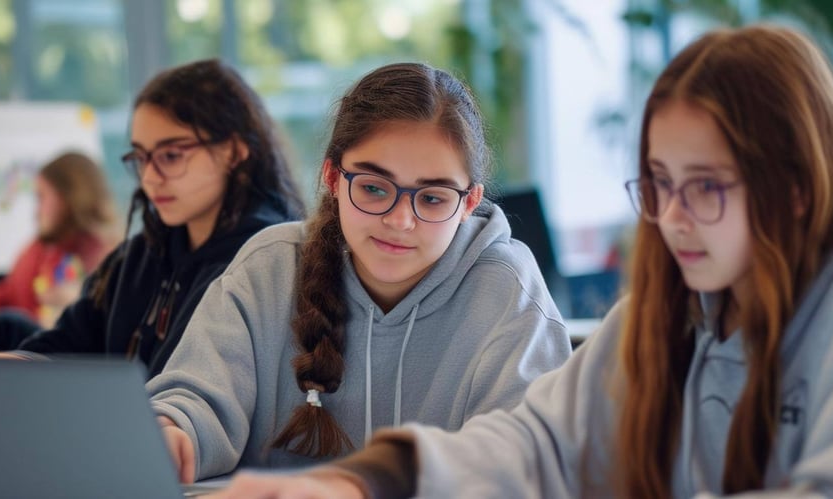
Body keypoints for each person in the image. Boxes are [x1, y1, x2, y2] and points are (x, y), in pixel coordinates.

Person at [207, 24, 833, 499]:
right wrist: (363, 480)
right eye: (659, 182)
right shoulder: (660, 317)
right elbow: (539, 442)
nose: (672, 217)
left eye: (707, 186)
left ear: (793, 187)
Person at [146, 62, 573, 483]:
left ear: (468, 202)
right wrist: (173, 432)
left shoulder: (508, 294)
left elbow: (530, 461)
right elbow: (194, 399)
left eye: (433, 199)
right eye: (373, 188)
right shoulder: (268, 268)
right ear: (332, 177)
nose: (401, 220)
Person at [0, 58, 305, 378]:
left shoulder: (265, 259)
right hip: (121, 424)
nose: (150, 178)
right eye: (141, 158)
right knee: (6, 329)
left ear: (234, 152)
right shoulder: (141, 254)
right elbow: (63, 346)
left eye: (171, 156)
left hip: (171, 428)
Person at [0, 151, 118, 349]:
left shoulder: (113, 259)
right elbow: (6, 292)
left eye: (41, 198)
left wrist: (81, 300)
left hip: (61, 358)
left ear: (68, 198)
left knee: (9, 324)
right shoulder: (42, 248)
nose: (36, 211)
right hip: (30, 351)